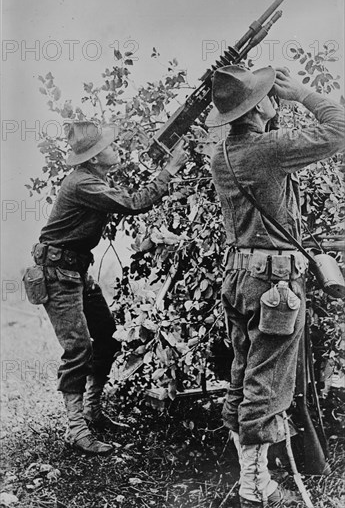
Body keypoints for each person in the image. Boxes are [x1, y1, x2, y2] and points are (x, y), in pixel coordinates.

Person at [206, 65, 344, 507]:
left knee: (243, 377)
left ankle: (252, 476)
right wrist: (303, 92)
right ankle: (255, 487)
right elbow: (339, 129)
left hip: (240, 278)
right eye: (269, 95)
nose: (276, 99)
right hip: (275, 286)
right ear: (256, 108)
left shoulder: (224, 153)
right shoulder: (268, 149)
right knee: (265, 387)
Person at [31, 121, 188, 455]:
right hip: (58, 273)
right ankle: (76, 429)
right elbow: (133, 203)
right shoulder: (84, 183)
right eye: (108, 145)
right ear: (93, 157)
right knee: (78, 349)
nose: (114, 147)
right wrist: (170, 169)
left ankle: (92, 410)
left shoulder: (93, 179)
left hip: (74, 269)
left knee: (106, 334)